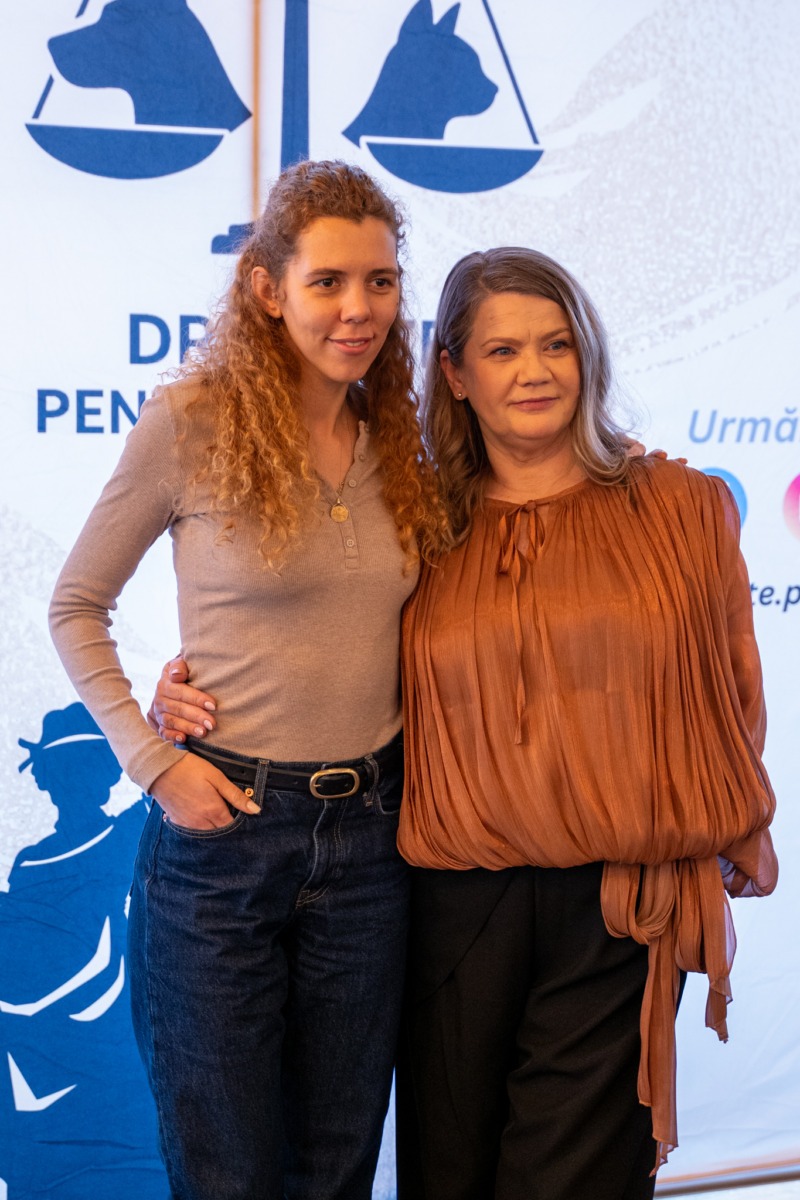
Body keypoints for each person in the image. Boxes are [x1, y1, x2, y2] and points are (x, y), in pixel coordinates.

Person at [153, 247, 778, 1200]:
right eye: (502, 350)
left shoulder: (681, 507)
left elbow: (732, 680)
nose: (535, 371)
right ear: (453, 371)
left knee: (572, 1180)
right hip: (448, 901)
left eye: (557, 344)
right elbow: (310, 635)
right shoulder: (414, 516)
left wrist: (739, 818)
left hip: (618, 902)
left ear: (589, 354)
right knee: (451, 1172)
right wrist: (184, 694)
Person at [48, 159, 447, 1200]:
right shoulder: (190, 422)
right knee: (226, 1174)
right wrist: (151, 759)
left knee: (335, 1168)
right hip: (223, 842)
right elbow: (76, 605)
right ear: (268, 289)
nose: (359, 309)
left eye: (380, 281)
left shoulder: (401, 437)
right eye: (328, 282)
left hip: (373, 842)